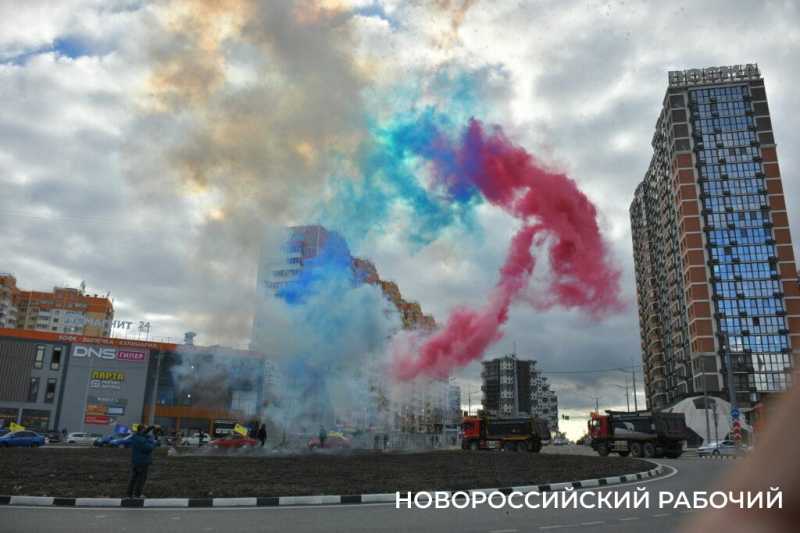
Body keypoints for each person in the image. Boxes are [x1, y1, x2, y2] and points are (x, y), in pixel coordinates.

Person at [126, 424, 159, 499]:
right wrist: (154, 441)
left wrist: (152, 427)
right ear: (142, 430)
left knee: (133, 479)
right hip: (142, 462)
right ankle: (137, 495)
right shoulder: (141, 440)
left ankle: (129, 494)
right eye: (145, 430)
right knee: (141, 480)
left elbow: (144, 432)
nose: (146, 432)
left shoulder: (135, 436)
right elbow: (149, 448)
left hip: (135, 461)